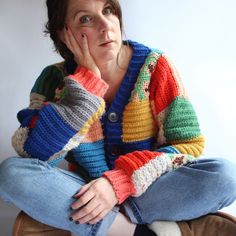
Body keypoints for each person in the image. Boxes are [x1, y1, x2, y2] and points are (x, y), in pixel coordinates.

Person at [0, 0, 236, 235]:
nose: (106, 25)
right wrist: (85, 90)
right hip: (87, 192)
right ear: (64, 33)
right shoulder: (54, 78)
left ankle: (110, 226)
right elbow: (33, 155)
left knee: (226, 177)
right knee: (11, 174)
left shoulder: (155, 67)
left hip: (149, 188)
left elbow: (189, 146)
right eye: (86, 19)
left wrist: (119, 182)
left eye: (108, 10)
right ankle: (134, 231)